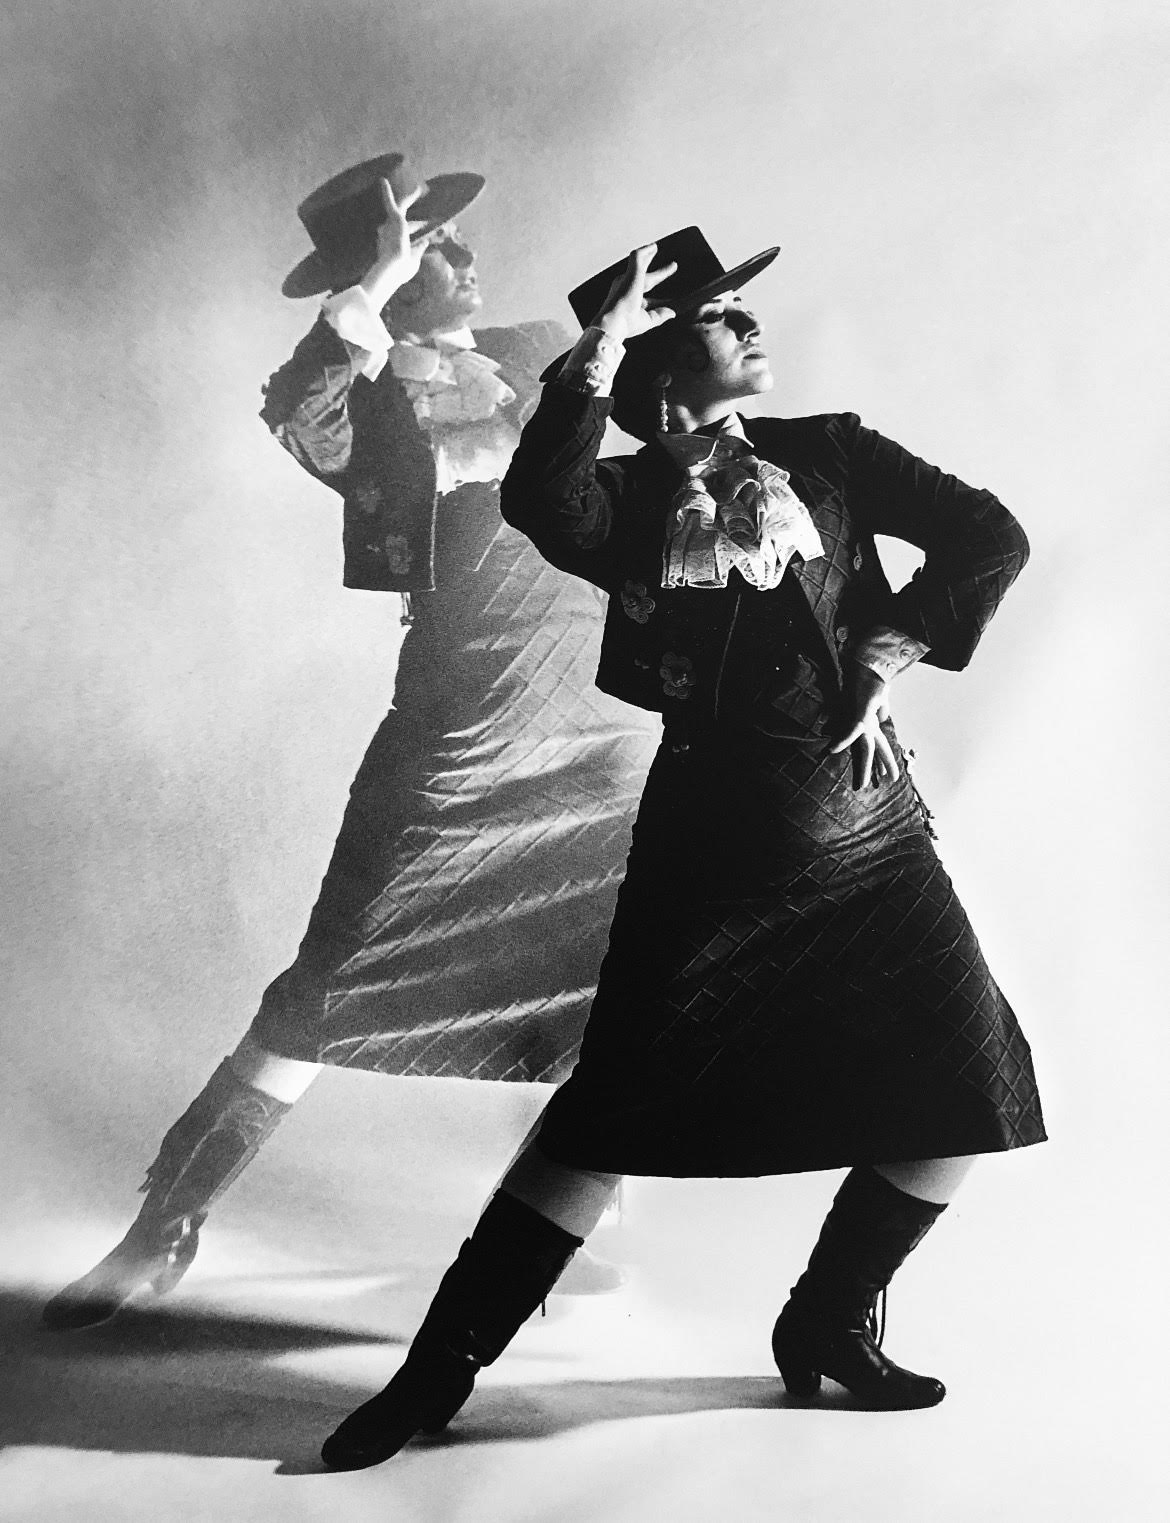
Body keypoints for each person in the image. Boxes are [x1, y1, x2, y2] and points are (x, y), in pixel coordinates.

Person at [317, 226, 1046, 1471]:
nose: (751, 325)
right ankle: (435, 1376)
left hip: (867, 828)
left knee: (971, 1087)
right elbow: (542, 502)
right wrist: (592, 353)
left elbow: (992, 534)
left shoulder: (832, 451)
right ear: (659, 361)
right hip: (712, 831)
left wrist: (891, 647)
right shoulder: (625, 495)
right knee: (608, 1117)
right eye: (718, 314)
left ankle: (826, 1324)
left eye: (744, 309)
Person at [41, 156, 659, 1332]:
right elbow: (300, 411)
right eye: (427, 249)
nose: (461, 260)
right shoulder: (362, 404)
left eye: (457, 240)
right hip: (464, 723)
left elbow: (657, 371)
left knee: (603, 992)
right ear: (376, 274)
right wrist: (377, 277)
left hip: (598, 722)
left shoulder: (533, 353)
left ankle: (557, 1241)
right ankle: (160, 1227)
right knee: (324, 990)